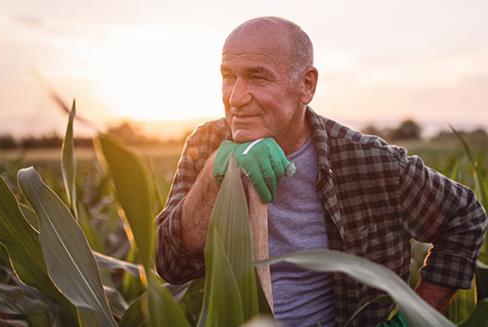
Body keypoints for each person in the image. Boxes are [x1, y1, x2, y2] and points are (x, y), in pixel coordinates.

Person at [154, 16, 487, 326]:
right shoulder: (208, 143)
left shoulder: (368, 162)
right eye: (229, 77)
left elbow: (465, 216)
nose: (236, 97)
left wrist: (413, 319)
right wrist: (217, 171)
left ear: (306, 85)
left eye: (258, 77)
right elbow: (172, 264)